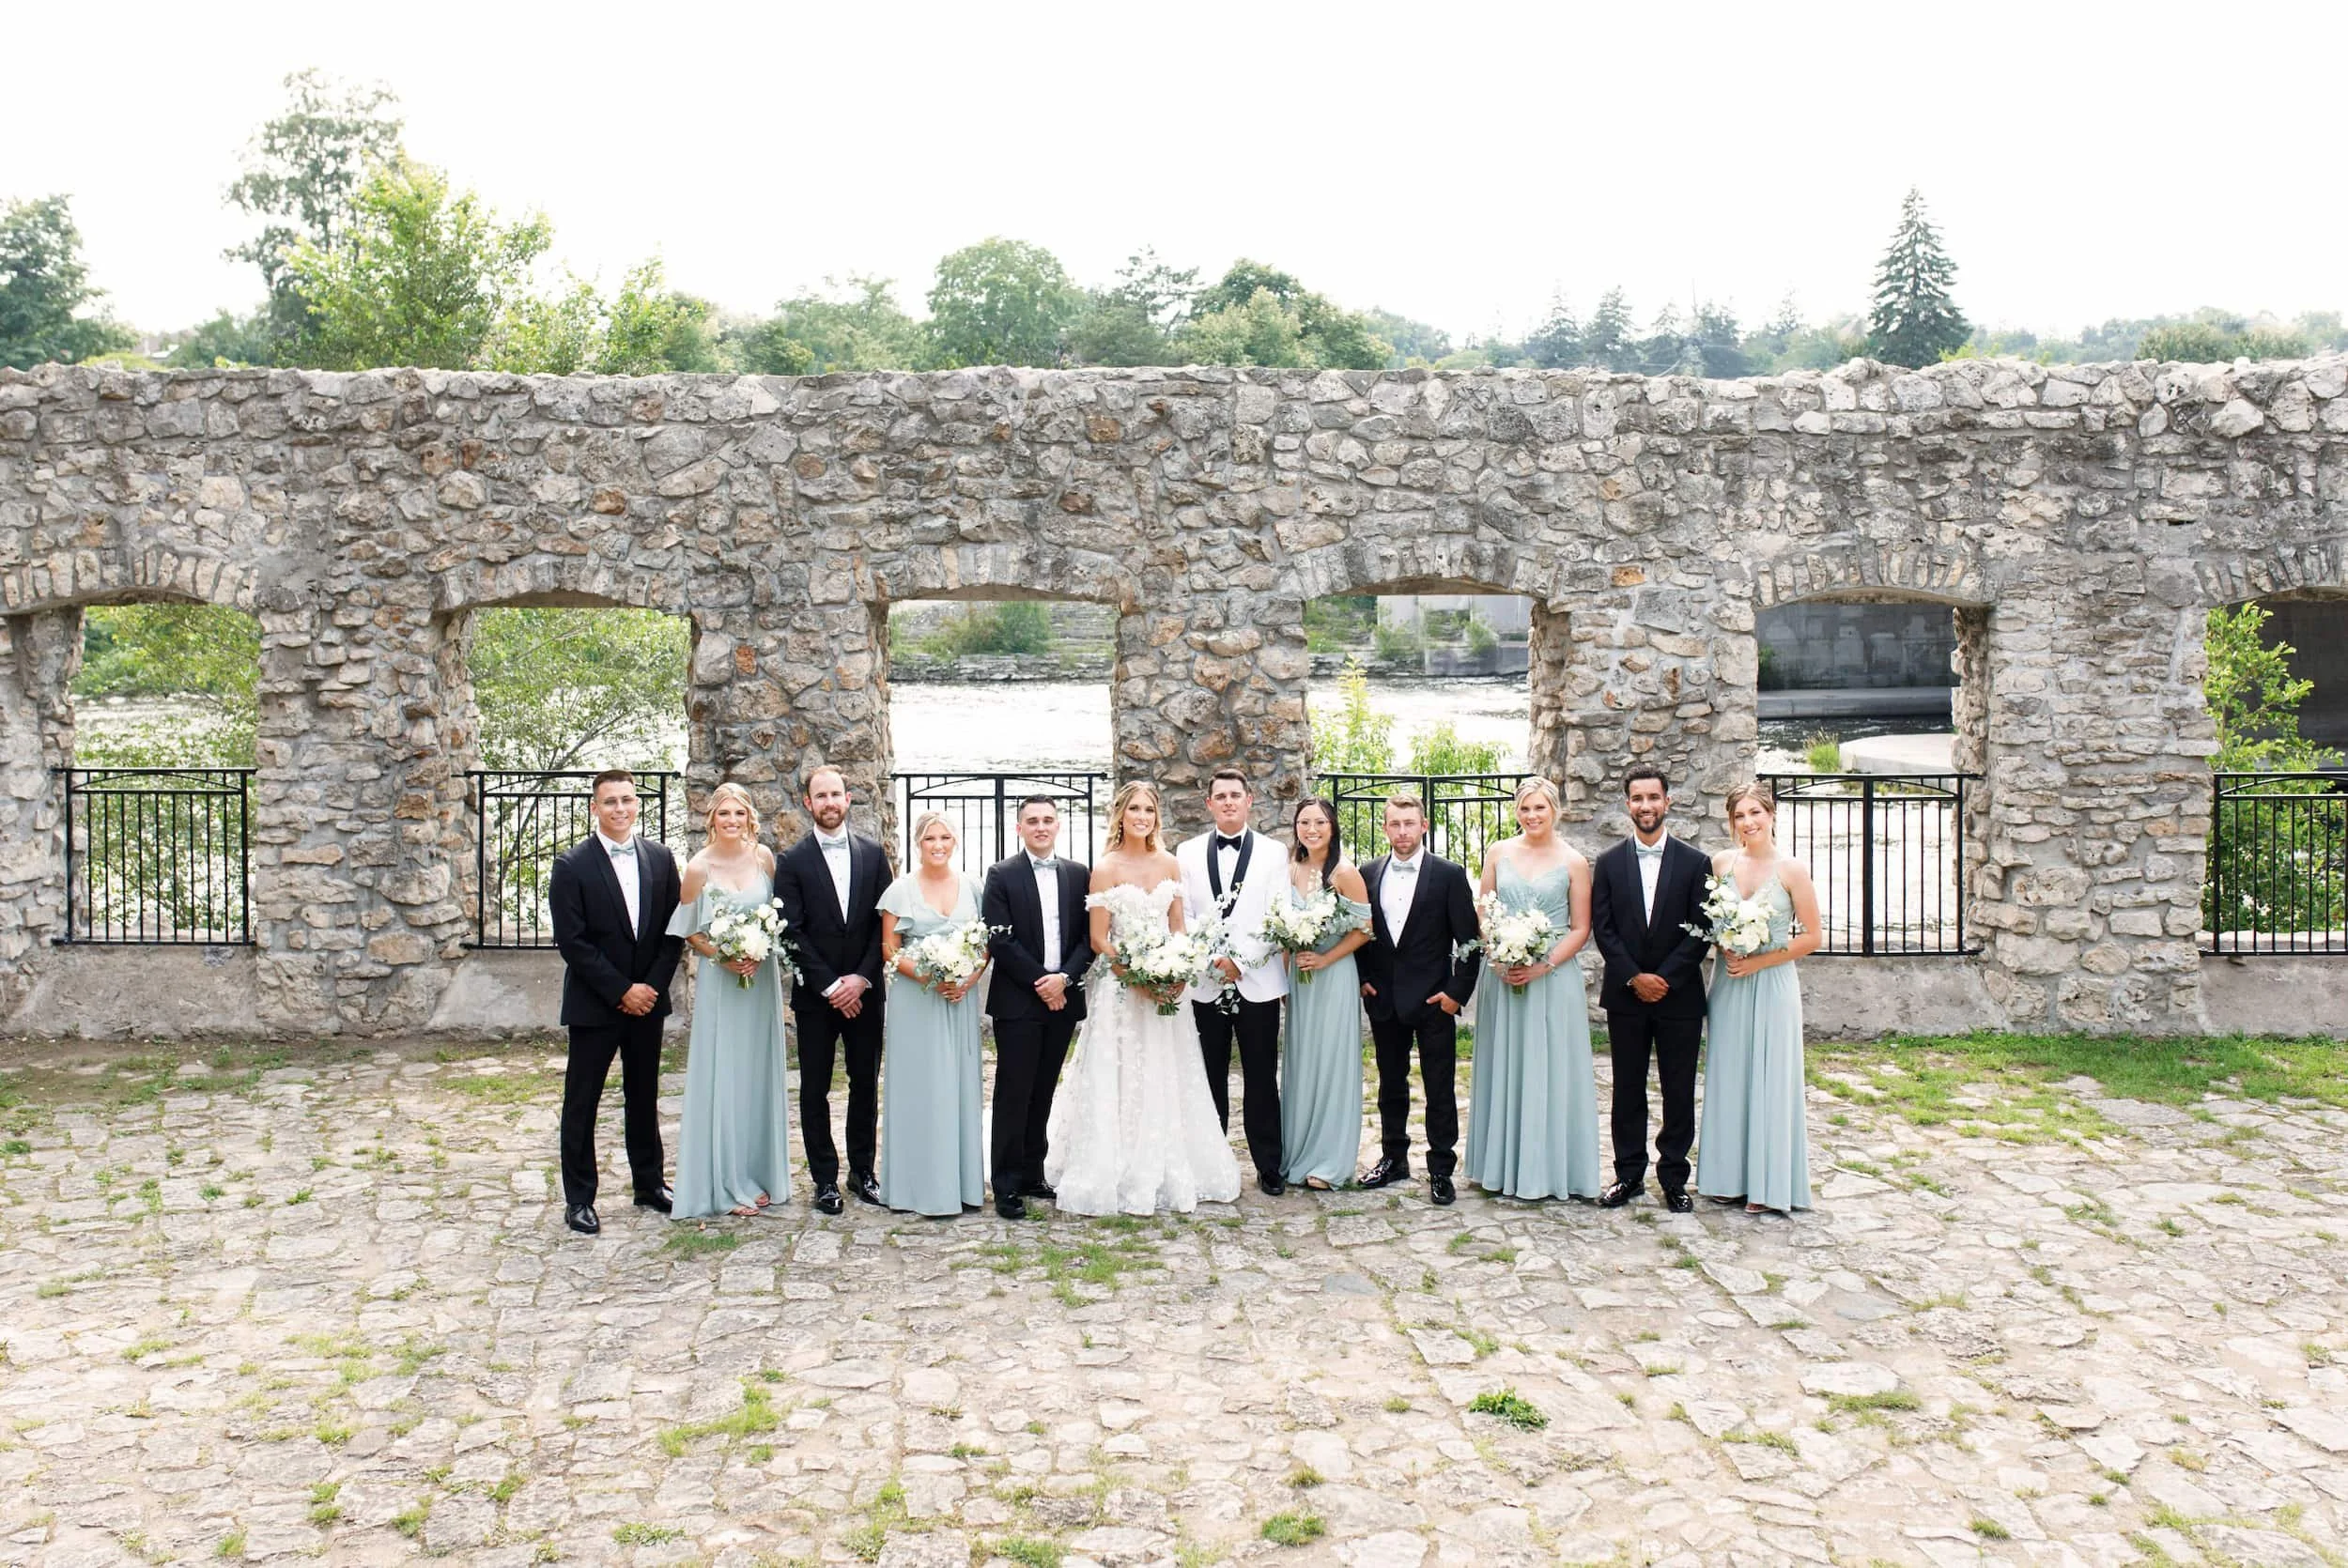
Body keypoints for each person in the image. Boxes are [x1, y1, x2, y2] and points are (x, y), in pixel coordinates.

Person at [1045, 781, 1241, 1216]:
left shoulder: (1170, 863)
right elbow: (1098, 939)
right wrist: (1137, 974)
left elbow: (1177, 926)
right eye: (1134, 809)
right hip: (1121, 990)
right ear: (1120, 815)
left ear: (1156, 817)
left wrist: (1177, 967)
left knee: (1167, 1071)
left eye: (1149, 810)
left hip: (1167, 988)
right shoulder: (1106, 867)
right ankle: (1114, 1166)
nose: (1142, 817)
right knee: (1121, 1074)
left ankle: (1171, 1163)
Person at [548, 768, 683, 1236]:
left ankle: (649, 1184)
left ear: (636, 804)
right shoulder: (571, 865)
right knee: (581, 1102)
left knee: (643, 1096)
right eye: (610, 802)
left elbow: (673, 932)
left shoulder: (661, 858)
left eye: (627, 799)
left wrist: (650, 988)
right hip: (595, 1003)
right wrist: (620, 989)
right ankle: (580, 1199)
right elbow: (573, 941)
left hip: (648, 1002)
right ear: (594, 807)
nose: (620, 808)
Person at [1463, 776, 1602, 1202]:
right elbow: (1484, 910)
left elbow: (1582, 928)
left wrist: (1544, 964)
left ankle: (1549, 1167)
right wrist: (1497, 953)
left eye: (1539, 808)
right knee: (1505, 1063)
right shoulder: (1499, 852)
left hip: (1552, 979)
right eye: (1525, 809)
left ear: (1554, 810)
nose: (1532, 816)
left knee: (1550, 1067)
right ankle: (1501, 1164)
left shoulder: (1574, 861)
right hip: (1503, 976)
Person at [1694, 781, 1822, 1216]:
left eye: (1755, 813)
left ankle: (1768, 1185)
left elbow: (1812, 937)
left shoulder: (1792, 870)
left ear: (1771, 815)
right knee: (1730, 1076)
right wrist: (1724, 945)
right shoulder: (1721, 864)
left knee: (1770, 1077)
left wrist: (1759, 962)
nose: (1748, 823)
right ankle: (1729, 1179)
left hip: (1771, 983)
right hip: (1729, 983)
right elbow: (1710, 922)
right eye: (1740, 816)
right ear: (1731, 822)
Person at [666, 782, 794, 1220]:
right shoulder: (699, 868)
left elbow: (777, 917)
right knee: (726, 1074)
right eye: (725, 815)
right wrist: (724, 954)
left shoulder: (763, 858)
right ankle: (726, 1185)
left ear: (749, 818)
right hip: (724, 984)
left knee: (757, 1073)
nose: (733, 822)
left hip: (760, 981)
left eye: (740, 814)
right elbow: (688, 930)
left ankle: (760, 1173)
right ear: (712, 820)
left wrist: (761, 949)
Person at [1590, 765, 1713, 1214]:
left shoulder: (1696, 862)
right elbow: (1603, 931)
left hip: (1677, 995)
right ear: (1628, 805)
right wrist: (1633, 977)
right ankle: (1628, 1175)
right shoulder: (1606, 863)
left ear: (1668, 802)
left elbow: (1701, 929)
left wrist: (1665, 978)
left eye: (1653, 798)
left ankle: (1674, 1178)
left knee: (1678, 1088)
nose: (1646, 806)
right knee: (1627, 1088)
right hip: (1626, 995)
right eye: (1637, 799)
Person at [774, 765, 892, 1216]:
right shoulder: (792, 861)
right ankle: (824, 1179)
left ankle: (862, 1172)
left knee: (865, 1083)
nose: (828, 802)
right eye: (819, 795)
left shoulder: (873, 855)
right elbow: (792, 931)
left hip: (865, 991)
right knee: (814, 1088)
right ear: (808, 803)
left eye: (835, 794)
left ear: (848, 799)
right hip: (816, 997)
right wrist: (828, 984)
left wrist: (861, 978)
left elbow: (884, 925)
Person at [1355, 793, 1482, 1207]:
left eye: (1410, 823)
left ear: (1424, 826)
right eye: (1395, 823)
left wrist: (1455, 993)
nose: (1402, 831)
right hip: (1385, 1001)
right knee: (1390, 1084)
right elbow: (1358, 932)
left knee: (1440, 1087)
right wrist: (1362, 979)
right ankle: (1394, 1158)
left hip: (1433, 1001)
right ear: (1385, 827)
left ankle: (1441, 1169)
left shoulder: (1448, 874)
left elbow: (1468, 940)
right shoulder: (1368, 873)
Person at [982, 795, 1096, 1220]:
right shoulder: (1001, 875)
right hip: (1019, 1001)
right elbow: (1000, 939)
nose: (1041, 827)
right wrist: (1041, 982)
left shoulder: (1078, 874)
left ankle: (1033, 1172)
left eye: (1048, 820)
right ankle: (1007, 1184)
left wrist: (1064, 978)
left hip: (1063, 998)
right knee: (1014, 1092)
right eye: (1032, 821)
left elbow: (1089, 938)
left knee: (1044, 1089)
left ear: (1058, 825)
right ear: (1019, 828)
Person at [1177, 768, 1289, 1195]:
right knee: (1209, 1075)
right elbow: (1182, 915)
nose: (1227, 802)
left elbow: (1276, 914)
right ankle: (1211, 1164)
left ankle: (1269, 1165)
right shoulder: (1185, 853)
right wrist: (1210, 960)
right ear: (1208, 804)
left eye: (1235, 795)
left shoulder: (1274, 853)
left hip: (1256, 979)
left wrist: (1241, 961)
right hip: (1205, 982)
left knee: (1262, 1077)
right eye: (1219, 795)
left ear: (1249, 801)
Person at [875, 812, 989, 1218]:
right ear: (917, 844)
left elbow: (985, 943)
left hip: (958, 999)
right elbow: (890, 947)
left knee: (957, 1086)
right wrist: (930, 974)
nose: (937, 845)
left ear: (955, 841)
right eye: (929, 839)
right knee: (920, 1088)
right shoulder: (900, 890)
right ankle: (913, 1188)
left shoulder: (973, 887)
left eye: (944, 838)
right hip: (917, 998)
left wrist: (968, 978)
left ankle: (960, 1185)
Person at [1276, 799, 1373, 1191]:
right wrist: (1285, 977)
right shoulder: (1289, 870)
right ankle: (1297, 1153)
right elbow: (1281, 928)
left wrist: (1325, 959)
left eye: (1319, 822)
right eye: (1304, 822)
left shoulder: (1344, 873)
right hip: (1300, 980)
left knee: (1332, 1062)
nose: (1311, 829)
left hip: (1332, 975)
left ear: (1332, 827)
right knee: (1302, 1063)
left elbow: (1364, 929)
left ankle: (1330, 1161)